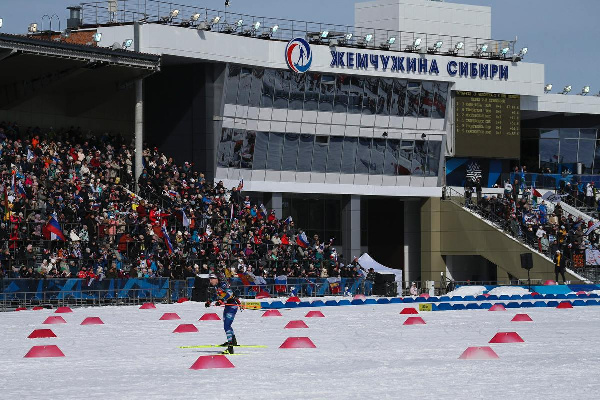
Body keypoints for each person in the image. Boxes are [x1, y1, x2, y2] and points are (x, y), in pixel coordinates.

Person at [205, 273, 241, 354]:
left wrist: (221, 301)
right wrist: (209, 301)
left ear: (216, 279)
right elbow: (216, 295)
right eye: (210, 279)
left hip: (232, 306)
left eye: (212, 279)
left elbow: (229, 294)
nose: (210, 281)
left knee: (226, 326)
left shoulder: (223, 284)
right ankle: (233, 341)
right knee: (226, 324)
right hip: (227, 307)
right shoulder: (216, 286)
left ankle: (230, 347)